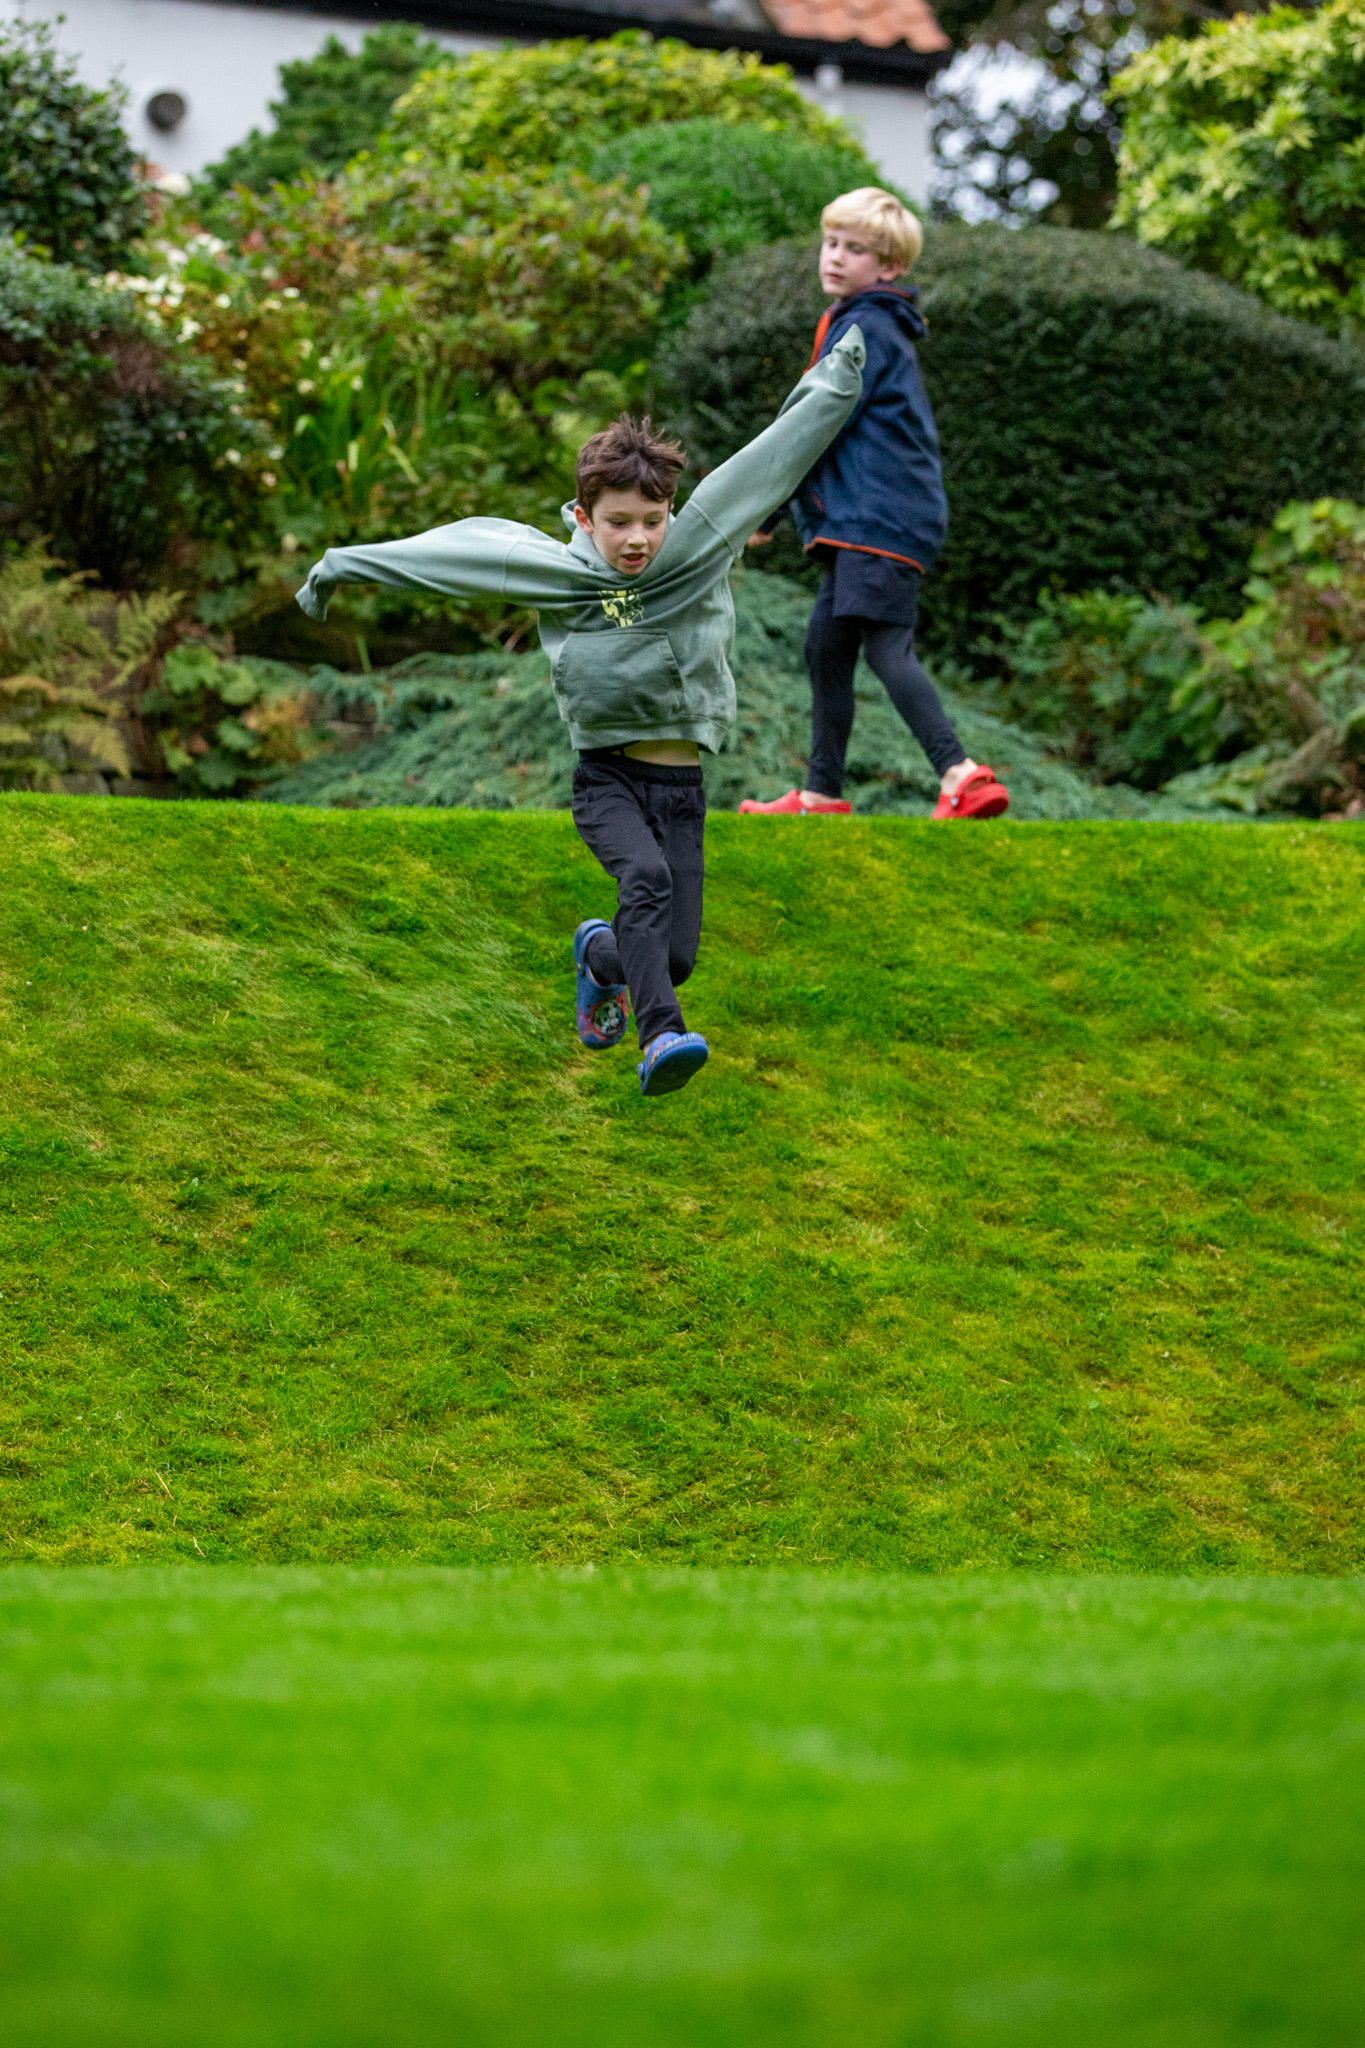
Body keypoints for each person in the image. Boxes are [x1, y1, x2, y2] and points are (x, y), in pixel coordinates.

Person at [295, 327, 865, 1097]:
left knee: (673, 956)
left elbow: (770, 461)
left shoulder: (694, 555)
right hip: (608, 781)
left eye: (651, 520)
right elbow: (444, 559)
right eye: (618, 522)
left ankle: (599, 957)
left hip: (682, 787)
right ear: (584, 514)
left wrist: (844, 368)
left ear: (670, 512)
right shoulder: (550, 573)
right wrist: (337, 567)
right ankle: (661, 1036)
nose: (636, 539)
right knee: (647, 882)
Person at [738, 188, 1009, 823]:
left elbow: (816, 420)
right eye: (831, 243)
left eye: (854, 249)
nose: (835, 257)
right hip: (872, 519)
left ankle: (961, 774)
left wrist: (765, 508)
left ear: (888, 267)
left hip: (880, 520)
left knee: (888, 648)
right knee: (826, 648)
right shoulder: (864, 320)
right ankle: (822, 794)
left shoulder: (868, 329)